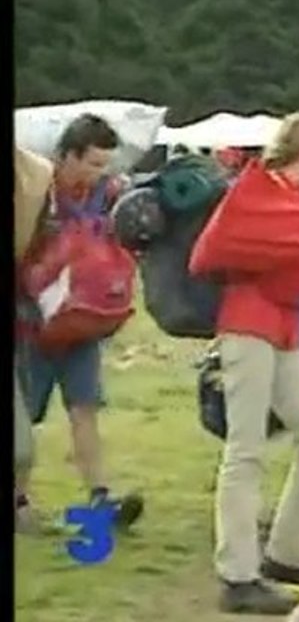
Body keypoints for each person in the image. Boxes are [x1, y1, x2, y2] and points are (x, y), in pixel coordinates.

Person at [189, 112, 299, 615]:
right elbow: (220, 252)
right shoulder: (255, 194)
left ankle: (286, 553)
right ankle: (238, 574)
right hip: (248, 324)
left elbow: (297, 258)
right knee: (245, 447)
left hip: (286, 325)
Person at [16, 115, 143, 533]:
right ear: (67, 156)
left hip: (84, 323)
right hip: (32, 326)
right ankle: (19, 503)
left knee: (84, 409)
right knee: (25, 420)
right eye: (91, 163)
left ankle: (100, 496)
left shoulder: (107, 196)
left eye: (104, 164)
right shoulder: (35, 191)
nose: (98, 173)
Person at [14, 147, 54, 533]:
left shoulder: (36, 175)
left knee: (22, 441)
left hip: (22, 311)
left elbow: (40, 245)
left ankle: (19, 501)